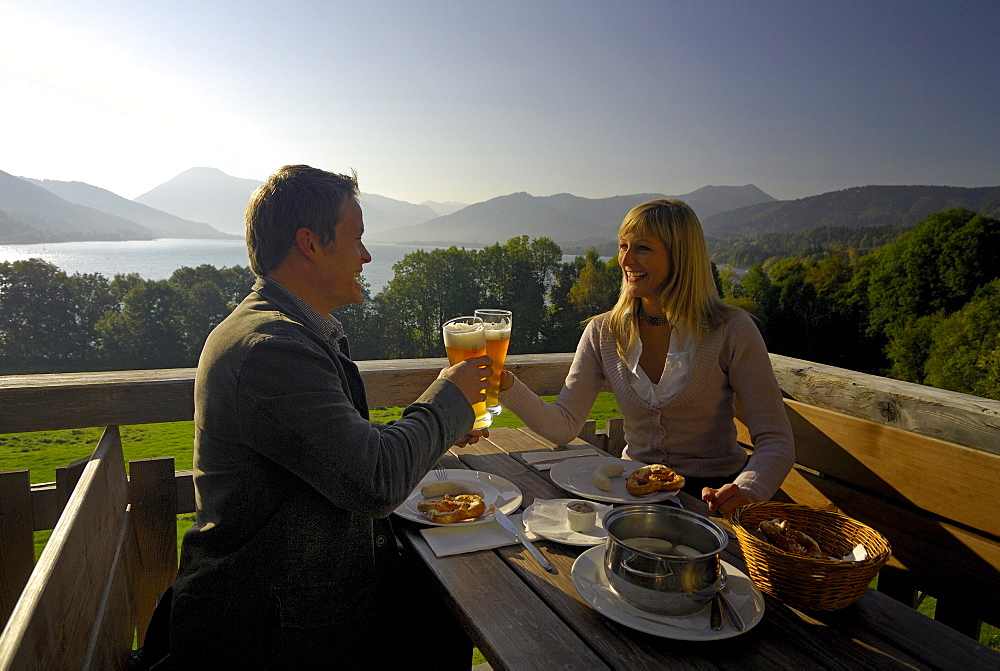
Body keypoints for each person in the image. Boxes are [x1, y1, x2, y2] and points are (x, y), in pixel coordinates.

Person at [166, 165, 489, 669]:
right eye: (356, 239)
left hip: (290, 597)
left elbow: (336, 452)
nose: (366, 256)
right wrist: (449, 398)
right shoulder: (272, 349)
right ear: (310, 244)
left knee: (447, 603)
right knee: (459, 606)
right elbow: (375, 481)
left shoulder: (281, 330)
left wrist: (434, 431)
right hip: (270, 628)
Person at [498, 199, 794, 516]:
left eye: (642, 248)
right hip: (630, 494)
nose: (625, 259)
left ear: (680, 257)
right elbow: (565, 425)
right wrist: (505, 385)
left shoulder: (731, 330)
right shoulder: (603, 332)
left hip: (711, 501)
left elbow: (775, 439)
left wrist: (748, 489)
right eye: (623, 245)